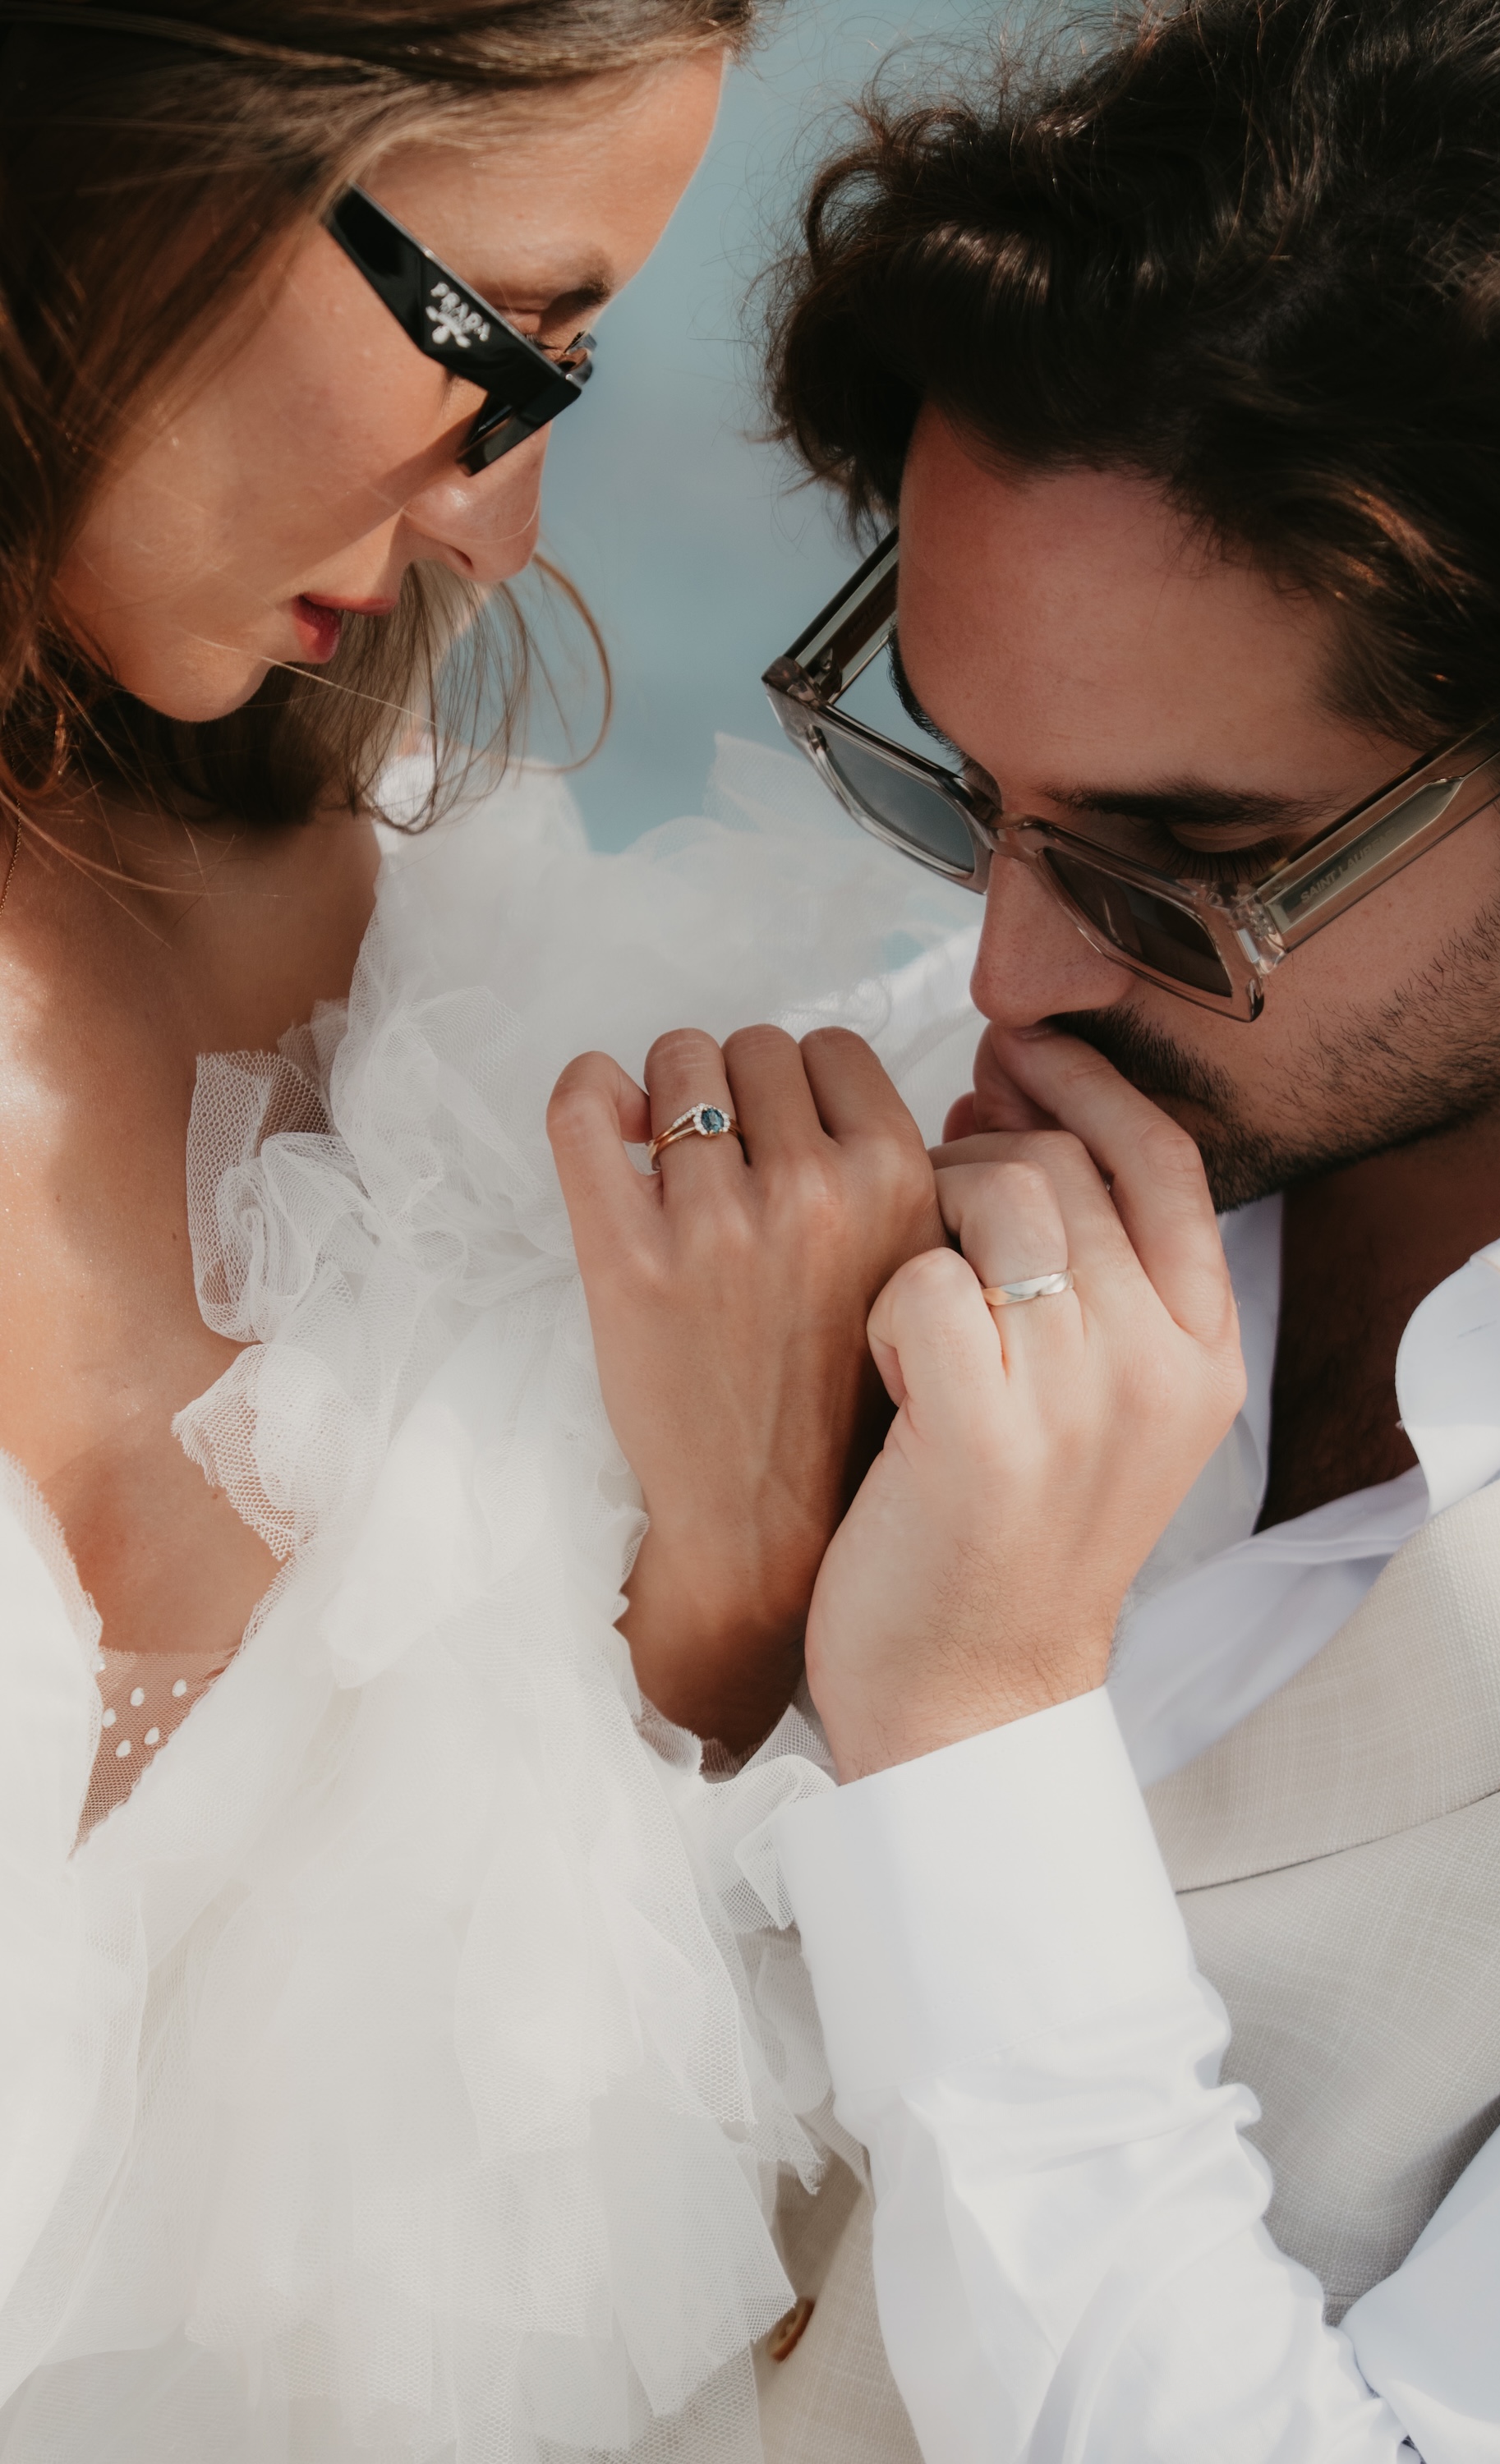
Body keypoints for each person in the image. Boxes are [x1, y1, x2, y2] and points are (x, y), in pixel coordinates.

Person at [651, 0, 1500, 2454]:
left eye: (1186, 859)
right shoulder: (905, 1095)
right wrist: (719, 1629)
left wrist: (971, 1727)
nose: (1005, 969)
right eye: (964, 779)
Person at [0, 5, 972, 2458]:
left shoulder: (461, 1016)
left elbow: (585, 2205)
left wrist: (732, 1573)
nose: (499, 524)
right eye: (498, 343)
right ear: (124, 136)